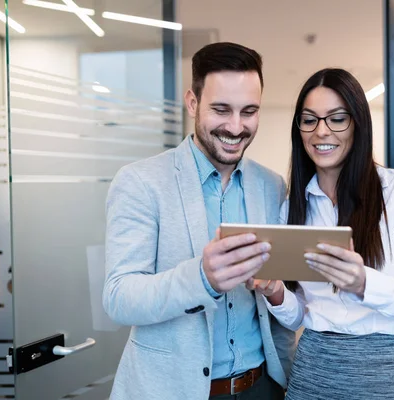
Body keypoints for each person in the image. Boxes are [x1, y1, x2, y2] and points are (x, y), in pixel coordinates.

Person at [103, 42, 295, 400]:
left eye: (249, 111)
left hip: (261, 387)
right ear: (192, 103)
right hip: (173, 391)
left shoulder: (272, 186)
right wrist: (201, 278)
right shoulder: (141, 181)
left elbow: (281, 297)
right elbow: (119, 297)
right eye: (221, 110)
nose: (236, 127)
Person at [249, 68, 394, 399]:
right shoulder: (293, 207)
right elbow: (300, 315)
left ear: (357, 124)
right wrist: (275, 292)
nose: (321, 131)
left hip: (386, 374)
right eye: (309, 120)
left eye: (336, 119)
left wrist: (363, 283)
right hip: (313, 370)